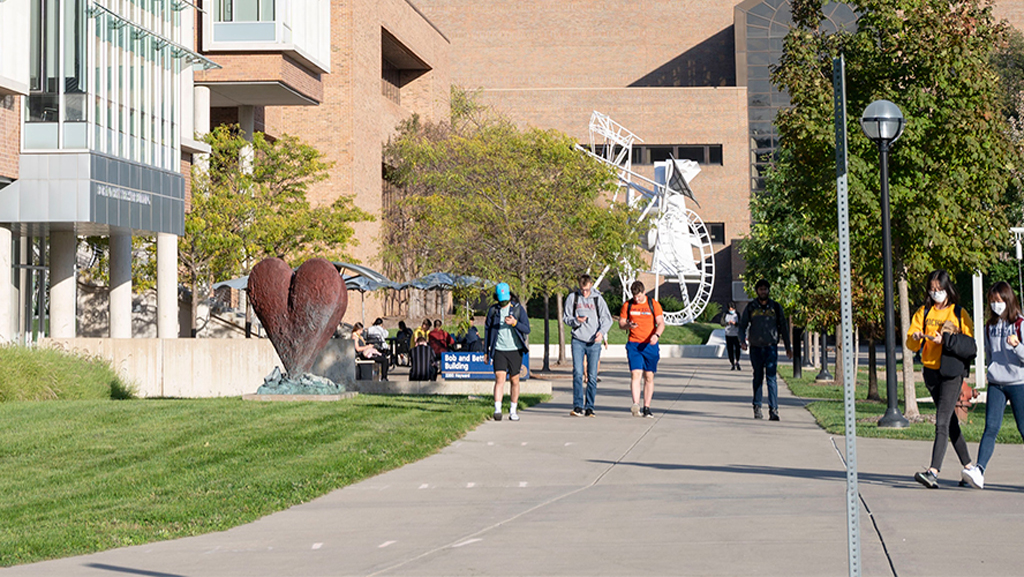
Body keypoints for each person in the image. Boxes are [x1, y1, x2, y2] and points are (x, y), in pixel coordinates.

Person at [906, 269, 976, 489]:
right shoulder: (924, 312)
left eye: (940, 289)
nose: (935, 293)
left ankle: (933, 471)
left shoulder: (958, 312)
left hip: (952, 372)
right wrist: (916, 337)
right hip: (931, 372)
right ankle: (969, 468)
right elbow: (910, 342)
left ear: (948, 289)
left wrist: (945, 339)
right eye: (932, 289)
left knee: (942, 420)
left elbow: (969, 343)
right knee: (950, 423)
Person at [961, 281, 1024, 489]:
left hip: (1018, 383)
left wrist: (1018, 347)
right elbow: (989, 353)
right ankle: (979, 470)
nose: (996, 305)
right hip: (996, 383)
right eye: (992, 301)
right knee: (991, 427)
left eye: (999, 301)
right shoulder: (989, 326)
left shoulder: (1020, 324)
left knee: (1023, 428)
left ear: (1008, 300)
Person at [738, 279, 792, 421]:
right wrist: (742, 341)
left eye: (765, 289)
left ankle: (773, 410)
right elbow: (742, 326)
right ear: (757, 291)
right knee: (758, 377)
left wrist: (788, 347)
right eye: (760, 289)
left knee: (771, 378)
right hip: (756, 348)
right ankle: (757, 407)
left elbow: (783, 328)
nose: (763, 291)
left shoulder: (775, 307)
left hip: (771, 347)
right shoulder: (751, 307)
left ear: (768, 290)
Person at [563, 274, 613, 417]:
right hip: (578, 340)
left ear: (591, 285)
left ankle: (589, 406)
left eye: (586, 289)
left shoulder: (598, 299)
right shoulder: (573, 298)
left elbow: (607, 319)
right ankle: (578, 405)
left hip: (594, 342)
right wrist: (576, 321)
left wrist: (602, 333)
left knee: (592, 376)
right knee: (578, 373)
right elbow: (566, 318)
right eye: (582, 289)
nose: (584, 293)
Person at [485, 282, 530, 421]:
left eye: (506, 298)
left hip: (515, 350)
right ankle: (497, 409)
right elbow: (487, 330)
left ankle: (513, 410)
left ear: (510, 296)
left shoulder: (518, 309)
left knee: (514, 380)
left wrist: (515, 323)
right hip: (499, 349)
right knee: (500, 379)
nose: (504, 301)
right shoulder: (493, 311)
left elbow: (527, 329)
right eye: (501, 299)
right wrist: (486, 351)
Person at [619, 280, 665, 418]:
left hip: (650, 344)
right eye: (634, 296)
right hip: (634, 345)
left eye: (639, 296)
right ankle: (636, 405)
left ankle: (647, 406)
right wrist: (628, 326)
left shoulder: (653, 304)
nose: (636, 299)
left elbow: (661, 323)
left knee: (649, 376)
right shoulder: (628, 305)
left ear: (644, 293)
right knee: (635, 374)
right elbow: (621, 323)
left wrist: (656, 335)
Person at [723, 301, 741, 371]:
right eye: (730, 310)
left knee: (737, 349)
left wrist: (735, 323)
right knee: (730, 349)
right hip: (728, 334)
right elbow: (722, 323)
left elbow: (740, 323)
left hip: (736, 334)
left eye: (732, 309)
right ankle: (732, 363)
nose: (731, 311)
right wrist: (727, 323)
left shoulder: (737, 315)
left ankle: (737, 361)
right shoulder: (725, 315)